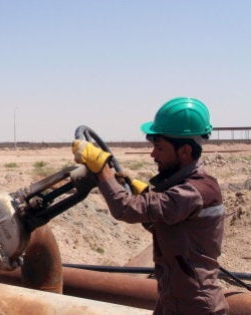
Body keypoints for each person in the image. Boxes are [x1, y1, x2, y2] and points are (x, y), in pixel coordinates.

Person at [72, 97, 228, 314]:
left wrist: (102, 170)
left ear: (184, 151)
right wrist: (143, 194)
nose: (153, 154)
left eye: (159, 148)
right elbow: (159, 224)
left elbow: (124, 209)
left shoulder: (193, 191)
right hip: (173, 299)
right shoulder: (187, 187)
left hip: (194, 306)